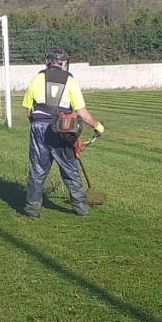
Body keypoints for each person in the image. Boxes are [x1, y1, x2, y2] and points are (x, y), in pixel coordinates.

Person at [20, 49, 105, 218]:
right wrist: (97, 126)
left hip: (39, 129)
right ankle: (81, 209)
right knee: (70, 170)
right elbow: (81, 112)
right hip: (63, 129)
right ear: (64, 63)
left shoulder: (36, 79)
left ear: (47, 62)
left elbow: (28, 112)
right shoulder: (70, 81)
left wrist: (38, 127)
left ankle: (32, 210)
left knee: (37, 171)